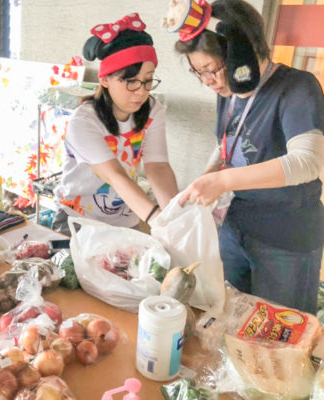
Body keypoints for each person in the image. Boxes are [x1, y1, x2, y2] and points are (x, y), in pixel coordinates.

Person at [173, 0, 324, 313]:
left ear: (244, 52)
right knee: (231, 318)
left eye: (213, 69)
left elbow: (308, 162)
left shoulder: (297, 88)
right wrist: (206, 177)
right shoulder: (229, 93)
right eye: (198, 72)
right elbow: (230, 142)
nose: (209, 81)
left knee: (280, 335)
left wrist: (223, 179)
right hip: (237, 228)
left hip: (286, 239)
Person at [52, 13, 178, 235]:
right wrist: (156, 219)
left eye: (148, 80)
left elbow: (157, 167)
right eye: (130, 82)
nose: (141, 91)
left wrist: (174, 217)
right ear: (105, 79)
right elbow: (114, 175)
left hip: (124, 220)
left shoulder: (153, 110)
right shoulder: (83, 122)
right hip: (77, 220)